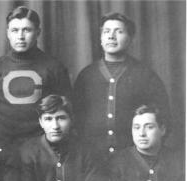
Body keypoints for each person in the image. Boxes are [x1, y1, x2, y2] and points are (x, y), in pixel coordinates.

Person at [73, 12, 172, 158]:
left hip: (133, 158)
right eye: (106, 32)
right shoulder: (86, 75)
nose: (111, 36)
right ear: (101, 39)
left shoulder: (145, 75)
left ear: (130, 39)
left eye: (119, 31)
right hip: (93, 158)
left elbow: (163, 118)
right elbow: (76, 117)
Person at [0, 6, 71, 147]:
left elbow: (65, 110)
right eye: (15, 30)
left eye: (27, 30)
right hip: (3, 146)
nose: (20, 36)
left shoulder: (54, 67)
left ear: (38, 32)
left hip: (42, 148)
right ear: (8, 33)